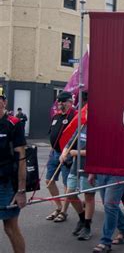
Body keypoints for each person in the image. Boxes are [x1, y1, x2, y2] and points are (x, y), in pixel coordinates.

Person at [59, 122, 96, 240]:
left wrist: (77, 153)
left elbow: (98, 151)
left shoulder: (100, 128)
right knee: (70, 193)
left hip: (90, 167)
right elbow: (70, 143)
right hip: (76, 167)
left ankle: (87, 226)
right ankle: (81, 218)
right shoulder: (82, 126)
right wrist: (64, 153)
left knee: (88, 196)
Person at [0, 94, 27, 253]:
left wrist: (21, 191)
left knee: (10, 228)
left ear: (4, 102)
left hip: (6, 184)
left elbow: (22, 158)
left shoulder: (13, 124)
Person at [45, 91, 76, 222]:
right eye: (59, 101)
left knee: (66, 184)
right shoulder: (56, 117)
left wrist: (69, 152)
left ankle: (63, 212)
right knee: (49, 181)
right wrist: (51, 149)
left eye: (63, 101)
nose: (60, 104)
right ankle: (58, 206)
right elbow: (52, 133)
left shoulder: (75, 116)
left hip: (67, 154)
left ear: (70, 102)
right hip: (55, 153)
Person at [89, 173, 124, 253]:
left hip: (120, 171)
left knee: (110, 205)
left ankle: (105, 241)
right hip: (102, 171)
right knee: (109, 205)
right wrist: (92, 172)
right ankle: (123, 228)